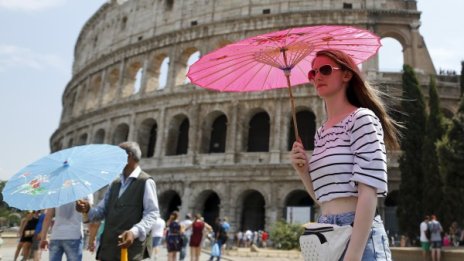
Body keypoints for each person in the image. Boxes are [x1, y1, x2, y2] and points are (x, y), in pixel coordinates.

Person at [290, 49, 400, 261]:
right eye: (312, 73)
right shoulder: (322, 132)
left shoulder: (362, 119)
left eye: (325, 70)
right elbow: (324, 198)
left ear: (347, 75)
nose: (317, 76)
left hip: (360, 237)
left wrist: (353, 256)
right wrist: (304, 171)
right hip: (328, 235)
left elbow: (368, 192)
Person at [76, 141, 160, 261]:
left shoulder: (146, 182)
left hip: (129, 249)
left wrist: (134, 232)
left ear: (129, 156)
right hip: (108, 247)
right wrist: (88, 209)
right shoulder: (114, 183)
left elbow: (152, 213)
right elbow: (101, 211)